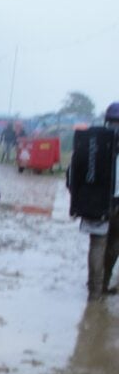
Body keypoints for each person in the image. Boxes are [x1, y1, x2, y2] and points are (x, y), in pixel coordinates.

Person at [80, 102, 119, 300]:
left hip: (96, 202)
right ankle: (103, 284)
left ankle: (94, 293)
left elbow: (75, 174)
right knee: (113, 246)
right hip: (114, 202)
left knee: (97, 245)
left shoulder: (91, 141)